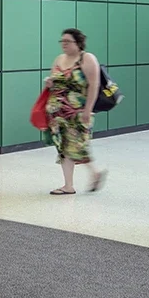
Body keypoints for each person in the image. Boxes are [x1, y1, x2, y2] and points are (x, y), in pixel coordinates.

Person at [44, 28, 107, 195]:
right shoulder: (59, 59)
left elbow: (94, 85)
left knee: (78, 145)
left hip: (77, 111)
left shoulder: (87, 59)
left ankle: (94, 172)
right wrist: (50, 83)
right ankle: (69, 185)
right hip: (57, 113)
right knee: (64, 148)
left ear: (78, 43)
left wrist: (88, 110)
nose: (63, 44)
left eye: (67, 41)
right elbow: (55, 80)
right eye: (62, 41)